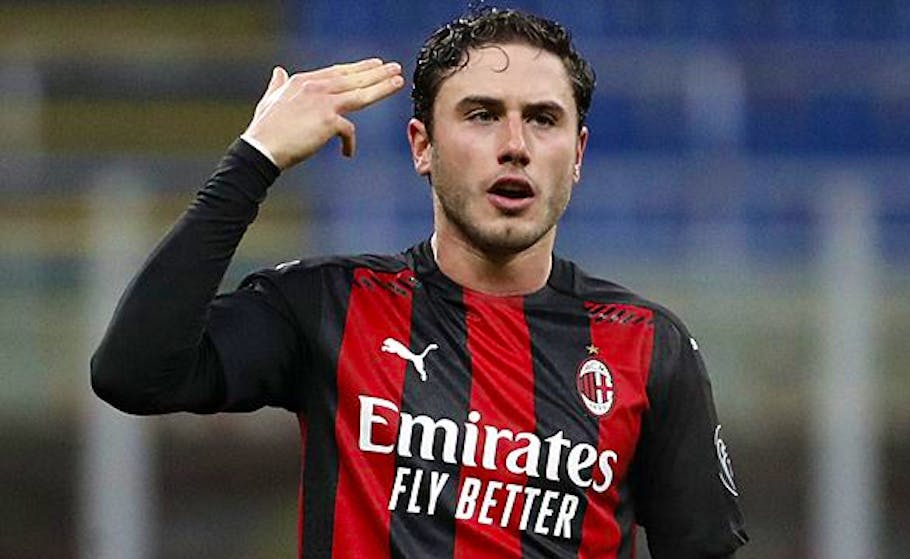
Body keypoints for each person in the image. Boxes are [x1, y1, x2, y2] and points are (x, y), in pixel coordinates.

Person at [91, 7, 748, 559]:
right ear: (422, 146)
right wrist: (254, 159)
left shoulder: (646, 345)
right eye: (481, 115)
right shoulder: (331, 307)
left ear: (576, 155)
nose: (515, 144)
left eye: (543, 119)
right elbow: (132, 372)